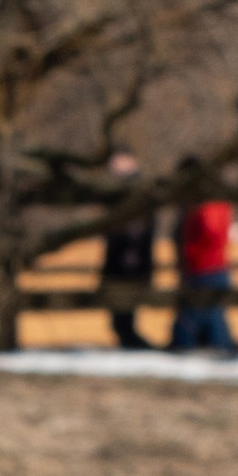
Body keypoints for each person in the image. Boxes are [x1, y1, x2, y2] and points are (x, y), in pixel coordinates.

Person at [170, 190, 238, 356]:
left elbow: (211, 231)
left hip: (206, 267)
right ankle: (217, 350)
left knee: (202, 316)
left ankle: (186, 349)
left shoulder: (208, 206)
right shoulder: (215, 204)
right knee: (210, 315)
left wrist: (191, 250)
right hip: (206, 267)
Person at [97, 150, 157, 351]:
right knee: (121, 323)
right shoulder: (120, 191)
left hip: (129, 267)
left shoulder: (136, 191)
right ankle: (137, 354)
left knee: (123, 323)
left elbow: (135, 233)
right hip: (122, 266)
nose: (113, 166)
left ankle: (143, 355)